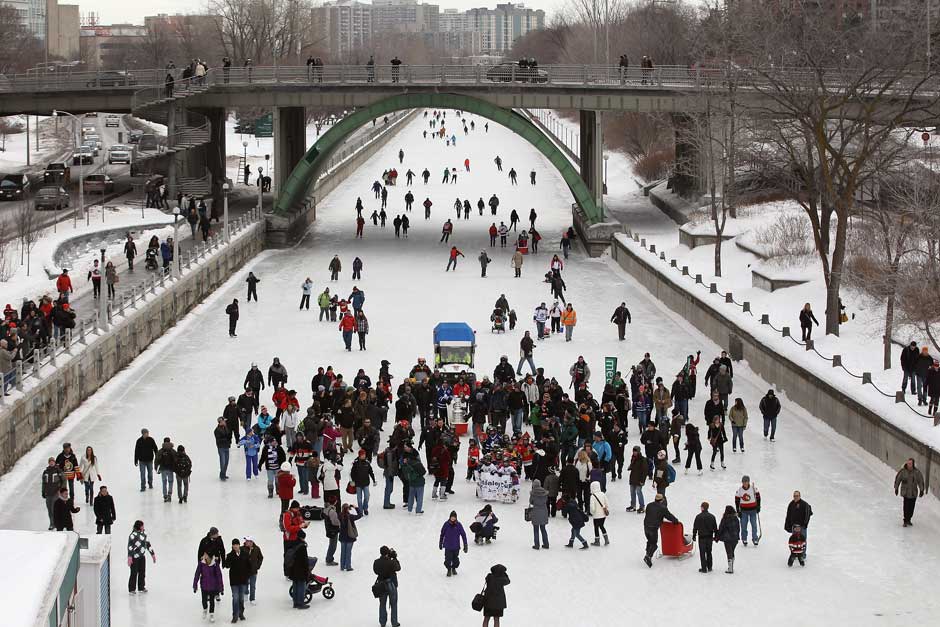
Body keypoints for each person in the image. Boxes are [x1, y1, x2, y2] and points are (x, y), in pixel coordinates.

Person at [642, 493, 678, 567]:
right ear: (662, 500)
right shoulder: (663, 508)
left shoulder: (649, 505)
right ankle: (648, 556)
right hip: (653, 527)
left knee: (649, 541)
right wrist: (676, 521)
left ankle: (647, 553)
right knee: (654, 544)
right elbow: (669, 516)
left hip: (646, 526)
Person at [224, 538, 251, 621]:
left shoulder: (245, 554)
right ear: (232, 546)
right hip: (234, 581)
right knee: (235, 598)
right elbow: (227, 565)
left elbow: (249, 566)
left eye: (237, 544)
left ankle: (241, 613)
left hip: (243, 580)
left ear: (239, 545)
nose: (235, 546)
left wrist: (247, 576)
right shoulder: (230, 555)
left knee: (241, 598)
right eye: (234, 545)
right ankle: (235, 615)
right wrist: (226, 559)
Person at [374, 546, 401, 627]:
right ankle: (394, 622)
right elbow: (398, 568)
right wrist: (394, 558)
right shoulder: (391, 562)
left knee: (382, 604)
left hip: (381, 584)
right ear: (387, 553)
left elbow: (376, 571)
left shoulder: (376, 562)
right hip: (391, 583)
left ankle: (382, 622)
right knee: (393, 603)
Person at [894, 457, 925, 527]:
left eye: (910, 463)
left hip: (913, 493)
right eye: (908, 463)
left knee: (911, 507)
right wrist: (896, 488)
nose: (909, 465)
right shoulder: (903, 471)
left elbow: (920, 481)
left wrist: (921, 490)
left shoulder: (917, 472)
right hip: (905, 492)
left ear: (913, 464)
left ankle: (909, 519)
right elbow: (898, 479)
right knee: (906, 507)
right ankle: (905, 520)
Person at [193, 551, 224, 621]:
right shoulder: (201, 563)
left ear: (209, 556)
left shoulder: (215, 564)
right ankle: (205, 609)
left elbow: (219, 576)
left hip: (213, 586)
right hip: (204, 585)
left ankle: (211, 614)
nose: (204, 555)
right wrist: (195, 585)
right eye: (204, 554)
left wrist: (221, 588)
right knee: (204, 600)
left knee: (212, 601)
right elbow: (197, 574)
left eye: (205, 554)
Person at [127, 520, 156, 594]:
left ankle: (141, 587)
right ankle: (132, 589)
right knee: (134, 573)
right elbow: (130, 547)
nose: (143, 527)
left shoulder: (144, 534)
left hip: (142, 557)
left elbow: (148, 544)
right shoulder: (133, 535)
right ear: (139, 526)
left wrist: (152, 554)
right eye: (142, 526)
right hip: (134, 557)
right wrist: (130, 557)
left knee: (142, 572)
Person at [439, 510, 469, 576]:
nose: (453, 518)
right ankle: (449, 570)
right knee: (448, 559)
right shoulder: (446, 524)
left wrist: (465, 545)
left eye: (454, 517)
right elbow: (442, 534)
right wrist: (440, 543)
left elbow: (463, 535)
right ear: (450, 517)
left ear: (456, 517)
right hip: (448, 546)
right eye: (452, 517)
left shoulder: (458, 525)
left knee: (456, 560)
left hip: (456, 546)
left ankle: (453, 568)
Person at [287, 529, 311, 610]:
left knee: (295, 585)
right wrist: (307, 570)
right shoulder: (302, 547)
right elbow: (305, 560)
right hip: (300, 570)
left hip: (293, 569)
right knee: (301, 586)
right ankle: (300, 603)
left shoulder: (293, 544)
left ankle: (295, 603)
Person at [735, 475, 760, 546]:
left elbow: (758, 497)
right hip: (743, 511)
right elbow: (737, 501)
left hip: (753, 510)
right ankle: (744, 538)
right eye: (743, 482)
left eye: (746, 482)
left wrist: (758, 506)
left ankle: (755, 539)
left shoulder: (753, 488)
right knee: (743, 525)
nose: (745, 483)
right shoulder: (740, 490)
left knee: (754, 525)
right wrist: (738, 510)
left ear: (748, 482)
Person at [692, 501, 718, 573]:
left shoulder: (698, 517)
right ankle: (709, 567)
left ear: (702, 508)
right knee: (709, 552)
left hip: (702, 537)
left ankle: (704, 568)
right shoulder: (712, 516)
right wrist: (716, 536)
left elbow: (695, 527)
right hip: (709, 537)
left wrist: (694, 535)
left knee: (702, 553)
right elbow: (715, 528)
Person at [338, 503, 363, 571]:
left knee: (343, 552)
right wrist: (356, 507)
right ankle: (348, 566)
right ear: (348, 509)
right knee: (348, 552)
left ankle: (342, 566)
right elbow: (360, 515)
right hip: (350, 537)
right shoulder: (350, 517)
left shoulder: (339, 516)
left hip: (342, 537)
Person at [718, 505, 740, 573]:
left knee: (729, 552)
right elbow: (738, 528)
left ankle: (730, 568)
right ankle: (731, 566)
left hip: (727, 539)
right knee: (732, 552)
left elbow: (721, 528)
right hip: (735, 538)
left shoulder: (725, 518)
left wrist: (717, 537)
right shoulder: (736, 518)